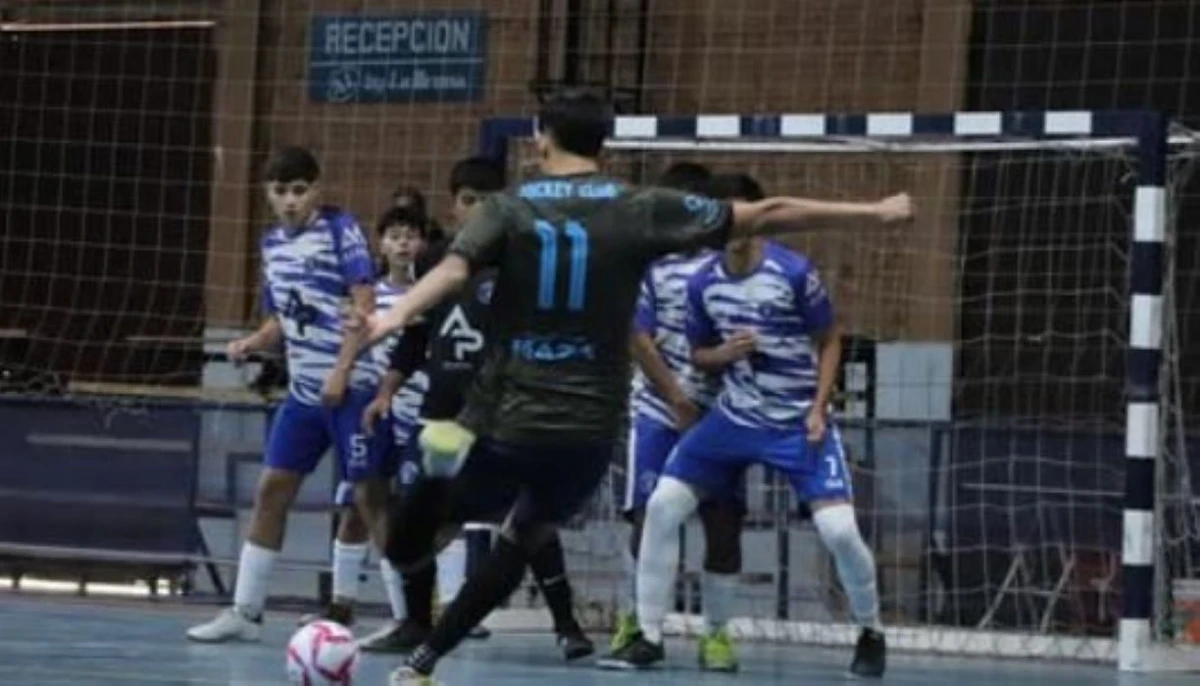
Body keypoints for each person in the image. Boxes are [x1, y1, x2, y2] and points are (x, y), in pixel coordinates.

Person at [364, 89, 911, 685]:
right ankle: (426, 662)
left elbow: (452, 268)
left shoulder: (509, 207)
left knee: (412, 537)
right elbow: (770, 212)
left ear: (541, 137)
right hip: (587, 435)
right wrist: (874, 212)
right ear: (604, 141)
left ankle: (433, 513)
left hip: (506, 418)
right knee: (524, 537)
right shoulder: (639, 206)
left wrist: (397, 312)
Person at [615, 171, 888, 676]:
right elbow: (698, 353)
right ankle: (648, 635)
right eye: (724, 219)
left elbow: (830, 338)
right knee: (662, 507)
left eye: (741, 217)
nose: (734, 229)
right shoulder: (702, 283)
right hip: (734, 418)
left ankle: (870, 631)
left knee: (839, 531)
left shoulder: (794, 272)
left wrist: (818, 406)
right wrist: (721, 354)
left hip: (795, 421)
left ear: (758, 220)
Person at [361, 156, 595, 659]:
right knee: (416, 515)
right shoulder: (435, 262)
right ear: (454, 205)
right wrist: (386, 391)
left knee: (527, 517)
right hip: (441, 413)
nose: (477, 209)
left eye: (487, 201)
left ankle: (567, 625)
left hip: (499, 415)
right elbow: (416, 338)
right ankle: (415, 623)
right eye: (468, 200)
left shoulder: (522, 263)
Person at [187, 146, 392, 643]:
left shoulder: (341, 229)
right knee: (272, 489)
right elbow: (283, 317)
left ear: (317, 189)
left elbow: (365, 304)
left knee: (370, 499)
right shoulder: (271, 246)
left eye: (300, 190)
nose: (291, 200)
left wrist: (342, 370)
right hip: (303, 394)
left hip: (350, 388)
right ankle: (246, 611)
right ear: (268, 194)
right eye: (281, 191)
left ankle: (410, 617)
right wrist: (251, 343)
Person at [605, 162, 747, 673]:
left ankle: (717, 633)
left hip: (721, 416)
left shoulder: (726, 267)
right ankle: (641, 624)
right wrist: (677, 401)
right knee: (647, 518)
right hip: (658, 411)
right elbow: (637, 338)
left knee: (723, 522)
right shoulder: (647, 265)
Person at [302, 206, 430, 632]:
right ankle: (342, 605)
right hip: (375, 412)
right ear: (381, 244)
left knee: (406, 511)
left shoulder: (431, 293)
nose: (403, 244)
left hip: (418, 414)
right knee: (358, 504)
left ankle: (410, 614)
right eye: (394, 236)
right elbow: (353, 340)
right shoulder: (368, 296)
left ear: (423, 243)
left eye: (411, 235)